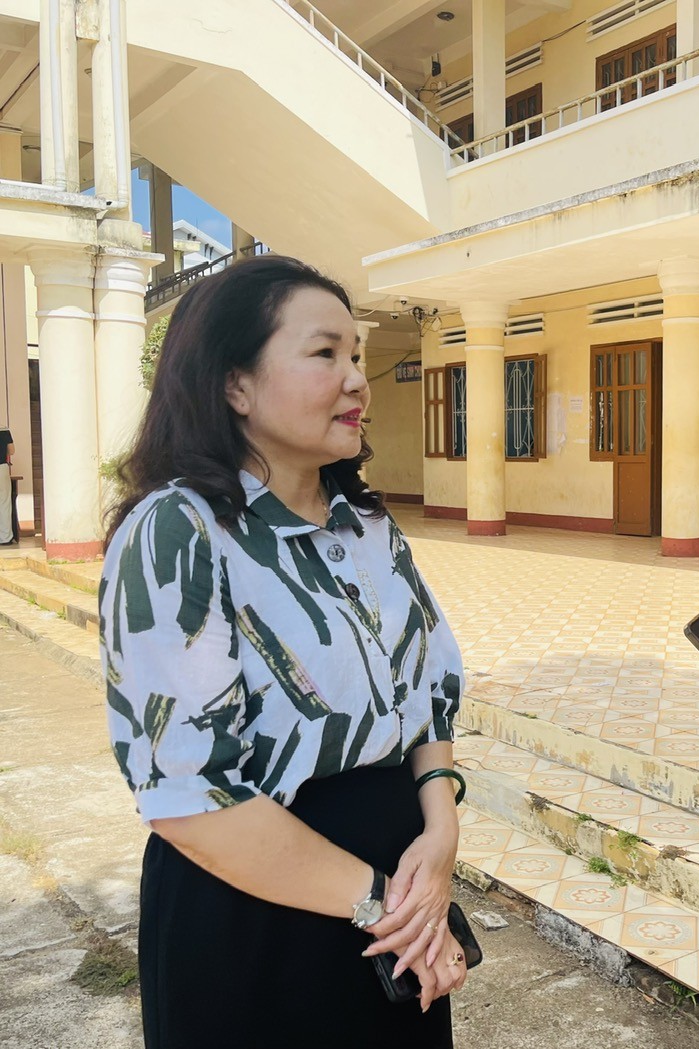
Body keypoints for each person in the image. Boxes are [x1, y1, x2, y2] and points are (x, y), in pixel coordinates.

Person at [99, 255, 468, 1047]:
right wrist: (386, 904)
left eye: (357, 355)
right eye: (325, 352)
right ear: (235, 384)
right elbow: (188, 795)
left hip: (401, 896)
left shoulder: (368, 527)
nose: (357, 379)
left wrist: (439, 838)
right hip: (257, 915)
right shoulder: (179, 531)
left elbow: (429, 694)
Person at [0, 423, 13, 544]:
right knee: (4, 503)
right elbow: (12, 451)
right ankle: (5, 537)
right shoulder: (4, 430)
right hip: (2, 468)